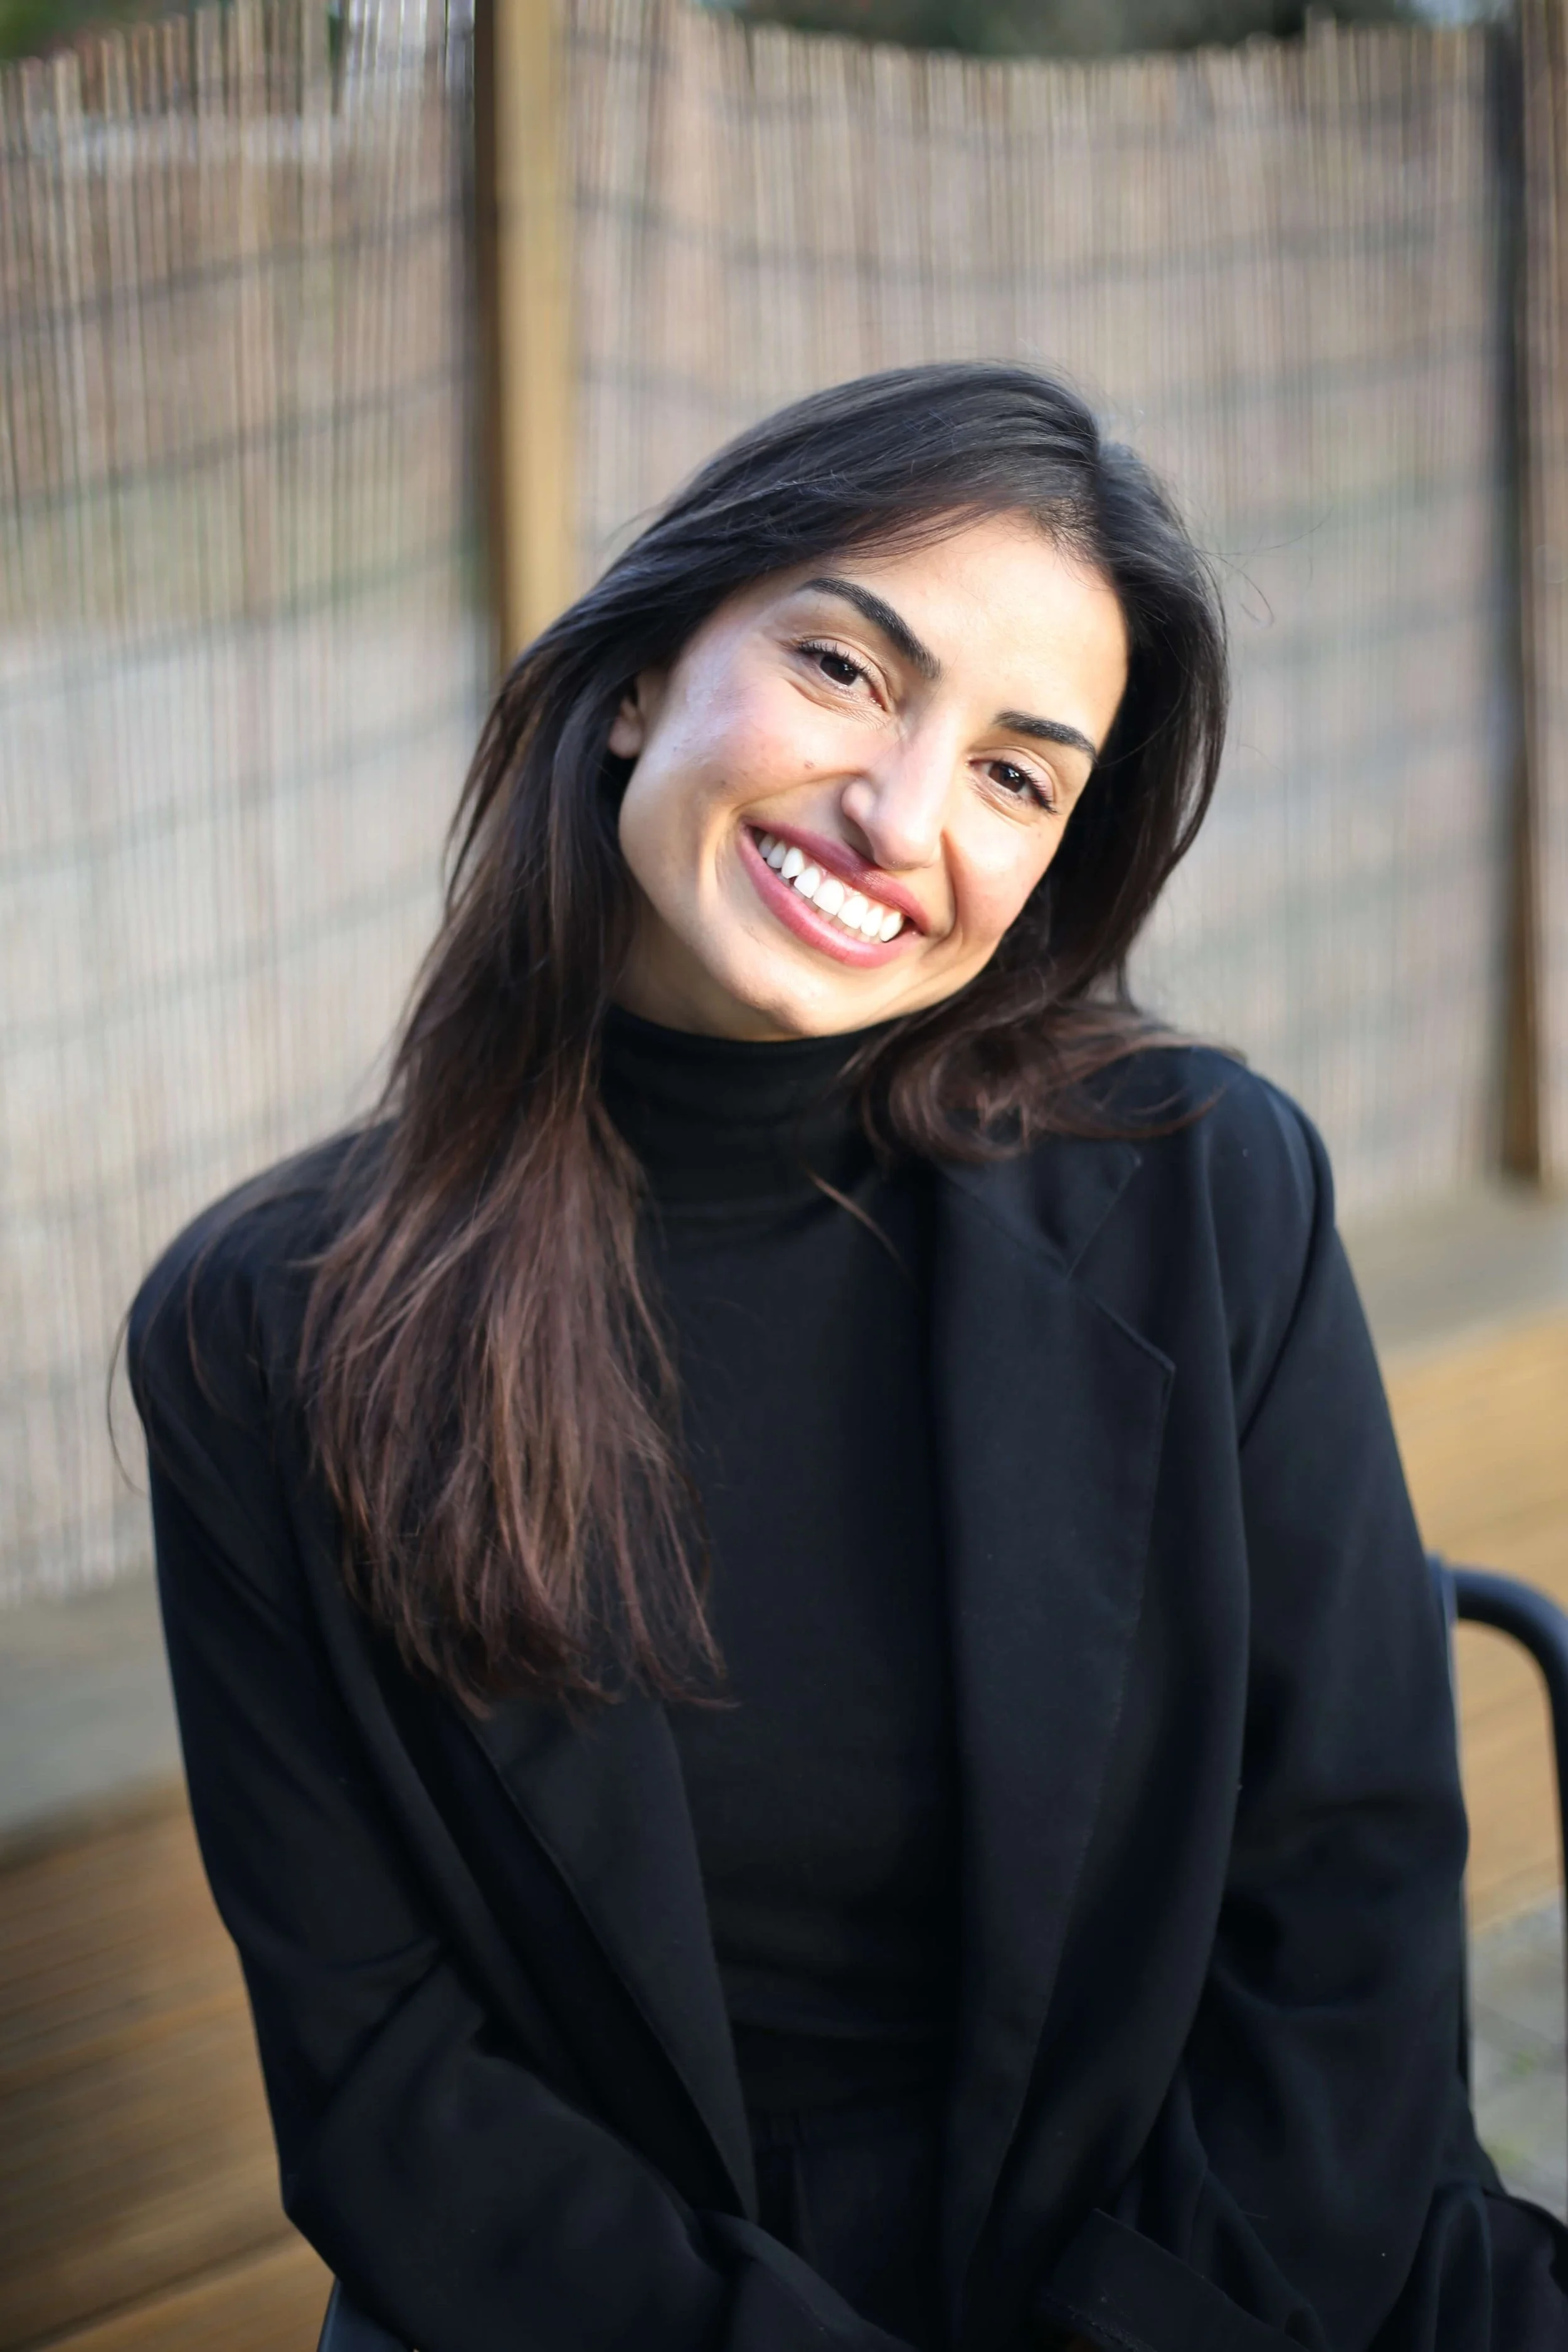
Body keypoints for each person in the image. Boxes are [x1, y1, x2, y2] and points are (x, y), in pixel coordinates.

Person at [128, 363, 1568, 2352]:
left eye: (1014, 777)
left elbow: (1346, 1905)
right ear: (639, 675)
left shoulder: (1199, 1184)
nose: (899, 815)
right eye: (843, 668)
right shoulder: (269, 1325)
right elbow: (388, 2084)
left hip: (1210, 2278)